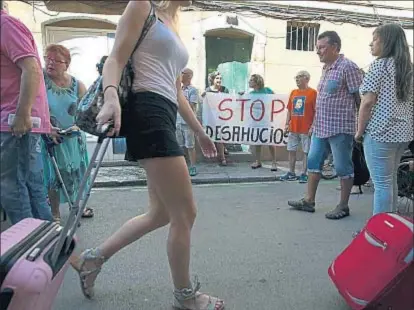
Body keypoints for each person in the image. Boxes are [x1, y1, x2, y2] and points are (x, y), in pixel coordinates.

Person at [72, 2, 224, 309]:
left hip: (164, 112)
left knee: (161, 213)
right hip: (147, 110)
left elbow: (176, 90)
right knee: (185, 213)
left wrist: (199, 131)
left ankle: (93, 259)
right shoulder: (143, 5)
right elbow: (116, 58)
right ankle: (185, 296)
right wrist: (112, 95)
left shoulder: (174, 21)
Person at [287, 31, 363, 220]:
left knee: (342, 167)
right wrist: (313, 123)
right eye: (317, 47)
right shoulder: (326, 68)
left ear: (335, 47)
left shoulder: (348, 67)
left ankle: (343, 206)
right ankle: (309, 200)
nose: (318, 51)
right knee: (313, 162)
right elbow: (322, 100)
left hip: (340, 128)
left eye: (322, 47)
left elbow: (359, 99)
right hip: (320, 128)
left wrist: (361, 127)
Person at [0, 6, 53, 224]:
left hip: (15, 121)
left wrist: (22, 115)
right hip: (17, 119)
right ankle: (49, 250)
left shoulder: (5, 25)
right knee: (31, 188)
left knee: (12, 187)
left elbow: (31, 68)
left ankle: (26, 250)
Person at [355, 23, 413, 215]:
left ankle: (379, 232)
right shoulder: (408, 69)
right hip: (403, 133)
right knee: (390, 181)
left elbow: (367, 102)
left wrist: (359, 132)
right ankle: (391, 225)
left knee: (381, 184)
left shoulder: (380, 66)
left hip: (381, 132)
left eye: (375, 39)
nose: (371, 44)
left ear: (386, 42)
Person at [41, 44, 92, 224]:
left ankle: (77, 207)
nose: (50, 63)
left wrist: (82, 125)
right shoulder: (39, 81)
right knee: (53, 175)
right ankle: (54, 213)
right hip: (50, 137)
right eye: (47, 58)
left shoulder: (77, 84)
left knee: (78, 174)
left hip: (73, 137)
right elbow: (34, 107)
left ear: (66, 64)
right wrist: (46, 127)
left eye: (56, 60)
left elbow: (87, 109)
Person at [279, 70, 316, 183]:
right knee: (291, 150)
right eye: (296, 77)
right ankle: (291, 172)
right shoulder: (293, 92)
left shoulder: (313, 93)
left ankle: (304, 173)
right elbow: (290, 109)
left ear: (307, 79)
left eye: (300, 77)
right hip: (293, 127)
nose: (297, 79)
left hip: (306, 128)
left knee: (306, 151)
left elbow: (316, 111)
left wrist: (313, 126)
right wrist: (286, 124)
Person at [245, 74, 278, 171]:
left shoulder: (267, 90)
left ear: (257, 82)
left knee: (270, 141)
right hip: (255, 120)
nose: (249, 82)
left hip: (266, 120)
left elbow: (277, 99)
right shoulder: (250, 94)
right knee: (257, 141)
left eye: (251, 80)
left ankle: (274, 162)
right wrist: (241, 95)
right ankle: (258, 161)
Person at [202, 71, 230, 166]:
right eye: (217, 78)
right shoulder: (208, 90)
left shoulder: (224, 89)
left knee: (221, 137)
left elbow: (229, 101)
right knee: (215, 136)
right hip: (211, 117)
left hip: (222, 117)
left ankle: (222, 157)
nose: (219, 80)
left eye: (220, 78)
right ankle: (221, 154)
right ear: (212, 80)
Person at [177, 68, 199, 176]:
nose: (180, 75)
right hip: (177, 121)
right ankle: (182, 166)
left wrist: (181, 100)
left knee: (190, 145)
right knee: (180, 145)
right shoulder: (178, 89)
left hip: (187, 122)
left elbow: (192, 106)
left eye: (182, 73)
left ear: (189, 76)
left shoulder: (193, 90)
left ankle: (193, 166)